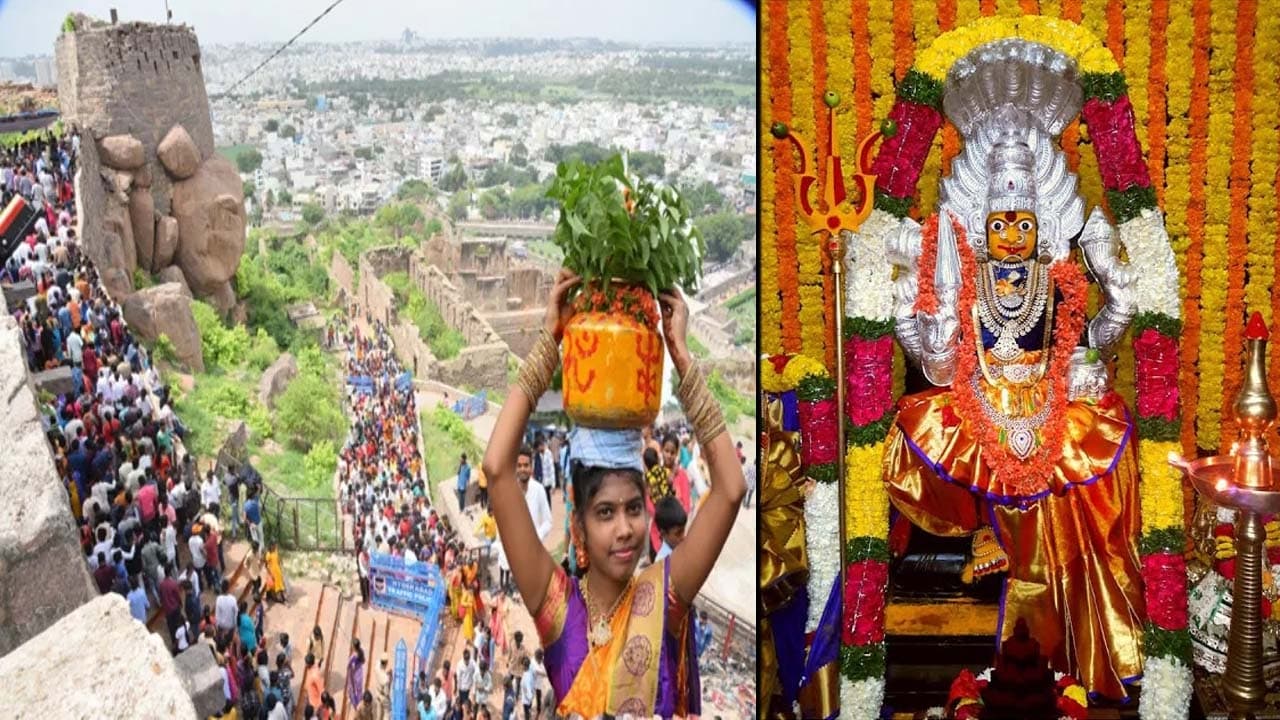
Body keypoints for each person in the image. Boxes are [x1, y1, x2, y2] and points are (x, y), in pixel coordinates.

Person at [483, 270, 743, 718]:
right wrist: (552, 340)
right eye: (605, 513)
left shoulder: (663, 595)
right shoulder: (559, 608)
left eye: (632, 509)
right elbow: (497, 469)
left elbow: (732, 489)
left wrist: (680, 355)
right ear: (579, 527)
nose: (625, 529)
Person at [653, 496, 687, 562]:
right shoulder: (664, 561)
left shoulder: (682, 546)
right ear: (663, 534)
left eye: (683, 530)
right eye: (678, 533)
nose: (683, 536)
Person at [347, 641, 366, 710]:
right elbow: (363, 661)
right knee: (359, 689)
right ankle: (360, 701)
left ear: (354, 646)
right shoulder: (361, 651)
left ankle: (355, 703)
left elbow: (350, 665)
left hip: (354, 673)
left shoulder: (354, 657)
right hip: (360, 672)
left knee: (352, 687)